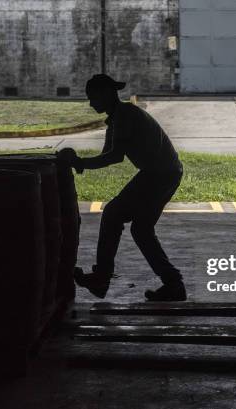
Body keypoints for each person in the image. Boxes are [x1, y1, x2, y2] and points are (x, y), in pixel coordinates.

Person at [57, 74, 186, 302]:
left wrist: (79, 163)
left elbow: (113, 157)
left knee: (113, 214)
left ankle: (102, 279)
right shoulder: (118, 117)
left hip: (159, 174)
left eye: (92, 97)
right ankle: (173, 284)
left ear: (106, 94)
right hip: (163, 172)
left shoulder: (125, 116)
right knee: (140, 229)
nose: (90, 103)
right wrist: (81, 163)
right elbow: (108, 155)